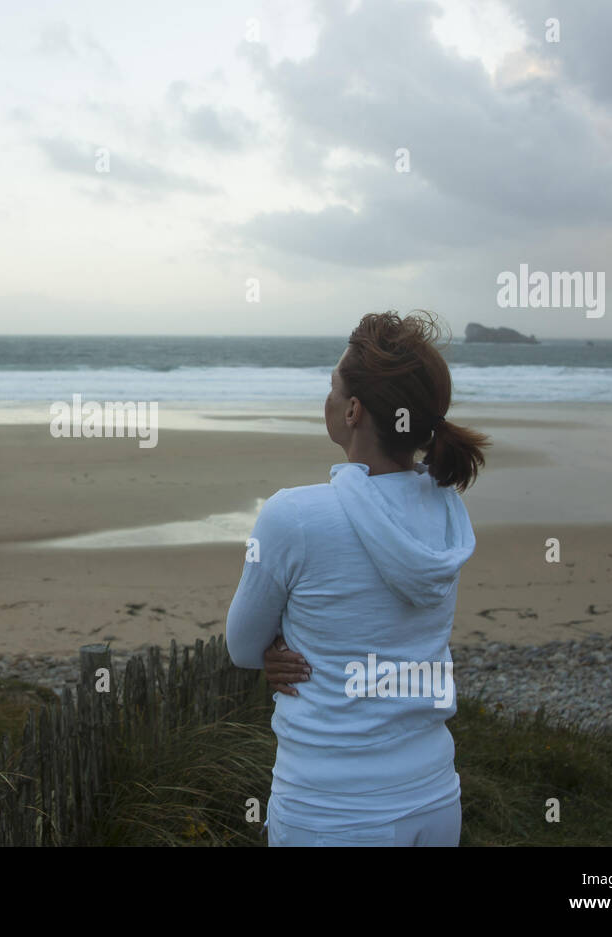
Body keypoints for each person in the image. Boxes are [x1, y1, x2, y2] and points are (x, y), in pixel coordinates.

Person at [226, 310, 490, 846]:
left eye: (331, 387)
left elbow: (241, 646)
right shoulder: (445, 510)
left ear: (352, 410)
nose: (324, 399)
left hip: (331, 808)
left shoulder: (294, 517)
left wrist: (279, 647)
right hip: (434, 793)